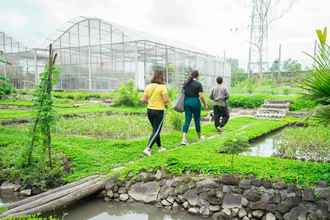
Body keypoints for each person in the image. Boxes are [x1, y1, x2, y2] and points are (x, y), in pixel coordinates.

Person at [141, 70, 170, 156]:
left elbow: (144, 100)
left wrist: (152, 102)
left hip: (149, 110)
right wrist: (167, 104)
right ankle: (148, 148)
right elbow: (166, 100)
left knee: (155, 130)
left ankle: (160, 147)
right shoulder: (162, 87)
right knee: (157, 130)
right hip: (159, 111)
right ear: (162, 78)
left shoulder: (148, 86)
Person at [181, 70, 208, 145]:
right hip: (195, 102)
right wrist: (205, 104)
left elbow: (182, 93)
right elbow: (201, 96)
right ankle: (199, 137)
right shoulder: (198, 84)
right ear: (198, 76)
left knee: (187, 120)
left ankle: (183, 139)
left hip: (186, 102)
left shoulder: (186, 83)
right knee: (197, 120)